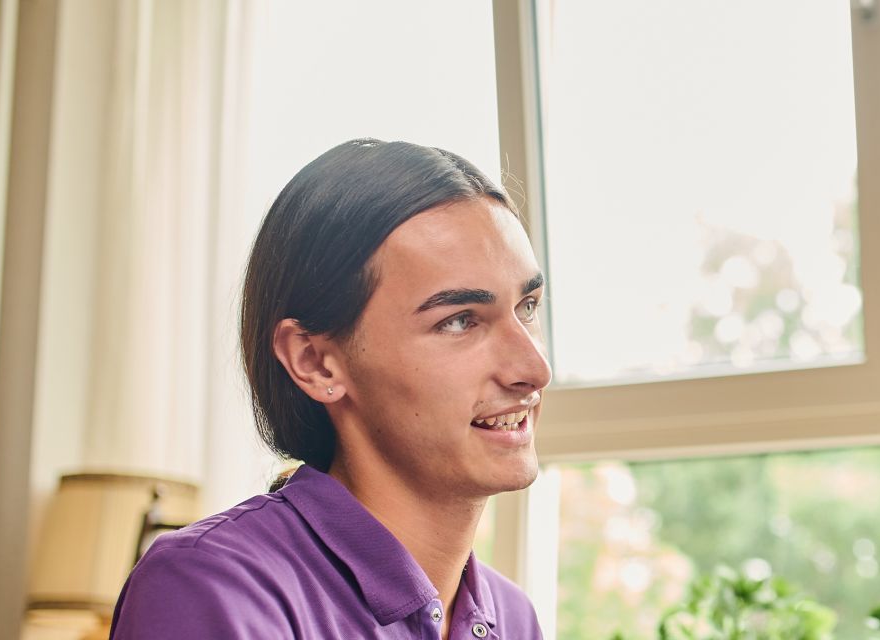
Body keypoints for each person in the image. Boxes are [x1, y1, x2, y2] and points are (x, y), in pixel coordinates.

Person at [110, 139, 550, 638]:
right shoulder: (208, 586)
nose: (533, 369)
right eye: (459, 320)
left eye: (528, 306)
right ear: (315, 362)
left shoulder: (515, 618)